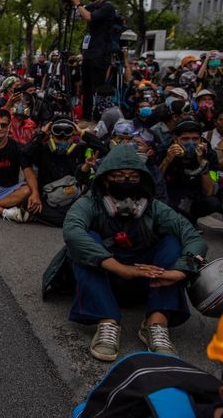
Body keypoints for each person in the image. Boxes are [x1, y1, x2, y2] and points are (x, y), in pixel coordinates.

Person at [59, 144, 206, 361]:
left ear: (143, 180)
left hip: (150, 280)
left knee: (173, 242)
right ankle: (107, 320)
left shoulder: (155, 208)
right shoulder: (89, 203)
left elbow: (193, 237)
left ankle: (156, 323)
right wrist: (118, 267)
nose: (126, 181)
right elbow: (72, 232)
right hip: (106, 277)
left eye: (132, 176)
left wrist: (181, 271)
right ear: (105, 179)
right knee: (84, 242)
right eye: (119, 176)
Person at [159, 118, 220, 226]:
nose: (191, 142)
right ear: (175, 139)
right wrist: (166, 161)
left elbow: (210, 190)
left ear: (201, 140)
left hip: (195, 195)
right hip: (171, 194)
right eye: (185, 139)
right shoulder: (164, 151)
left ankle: (191, 217)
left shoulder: (210, 155)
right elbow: (155, 181)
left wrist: (202, 162)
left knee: (212, 202)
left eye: (195, 139)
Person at [72, 0, 116, 122]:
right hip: (88, 53)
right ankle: (86, 118)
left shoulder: (107, 7)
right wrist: (70, 3)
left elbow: (89, 17)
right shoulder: (91, 6)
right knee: (86, 88)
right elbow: (78, 15)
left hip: (100, 53)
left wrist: (78, 3)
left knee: (97, 88)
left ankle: (98, 119)